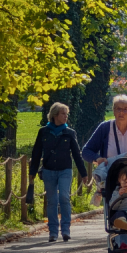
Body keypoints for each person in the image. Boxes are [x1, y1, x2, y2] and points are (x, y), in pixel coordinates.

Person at [29, 102, 89, 242]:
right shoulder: (43, 131)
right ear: (55, 115)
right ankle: (53, 232)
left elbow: (76, 154)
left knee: (64, 197)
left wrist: (83, 173)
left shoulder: (70, 132)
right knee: (52, 201)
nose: (66, 116)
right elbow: (37, 152)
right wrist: (32, 171)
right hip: (49, 170)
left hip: (65, 170)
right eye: (63, 114)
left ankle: (66, 229)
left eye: (66, 114)